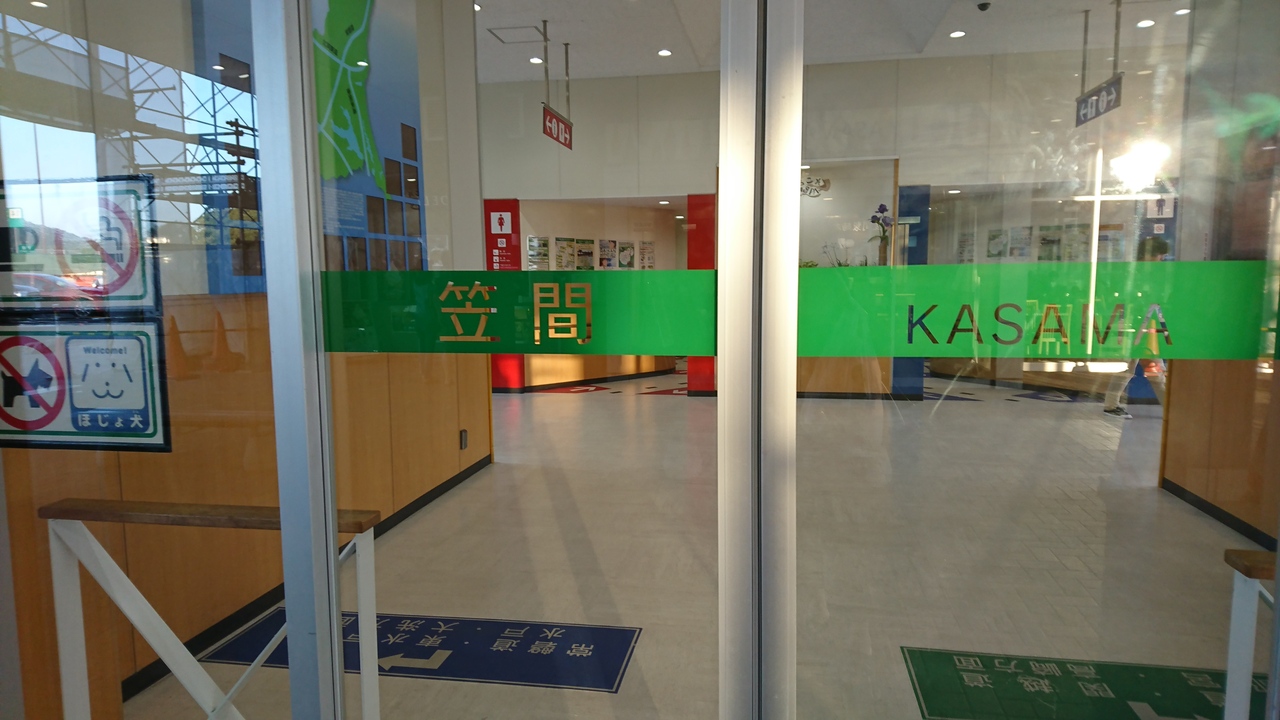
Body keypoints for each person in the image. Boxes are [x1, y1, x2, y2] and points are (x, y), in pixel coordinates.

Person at [1102, 236, 1170, 419]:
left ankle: (1170, 408)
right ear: (1151, 254)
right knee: (1133, 366)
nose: (1161, 260)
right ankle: (1111, 405)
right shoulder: (1138, 274)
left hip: (1142, 325)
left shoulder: (1136, 272)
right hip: (1134, 325)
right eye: (1160, 255)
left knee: (1148, 368)